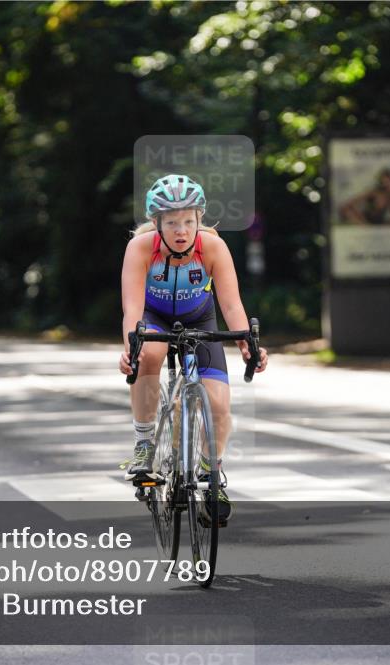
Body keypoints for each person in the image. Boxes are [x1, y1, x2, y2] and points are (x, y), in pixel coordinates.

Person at [118, 174, 268, 524]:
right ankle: (144, 445)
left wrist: (248, 343)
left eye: (188, 220)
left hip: (200, 321)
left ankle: (210, 473)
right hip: (153, 319)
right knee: (150, 354)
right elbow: (133, 309)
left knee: (218, 403)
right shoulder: (140, 248)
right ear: (157, 223)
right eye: (171, 222)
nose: (181, 230)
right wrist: (132, 348)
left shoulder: (213, 248)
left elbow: (231, 304)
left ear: (200, 219)